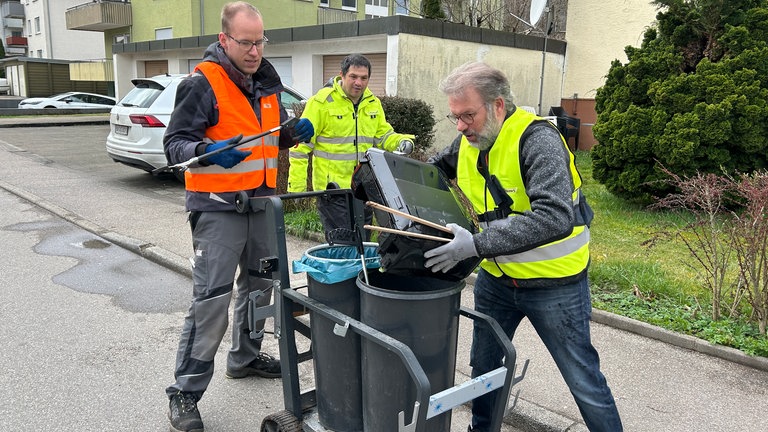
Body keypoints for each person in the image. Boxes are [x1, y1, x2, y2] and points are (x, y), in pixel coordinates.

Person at [424, 62, 622, 432]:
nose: (461, 126)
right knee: (484, 372)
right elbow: (433, 170)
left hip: (554, 284)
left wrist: (476, 245)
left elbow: (554, 216)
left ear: (498, 105)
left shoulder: (538, 140)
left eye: (468, 115)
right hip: (497, 282)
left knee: (583, 381)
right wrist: (383, 172)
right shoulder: (470, 140)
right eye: (455, 117)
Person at [162, 3, 313, 432]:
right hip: (218, 209)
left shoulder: (266, 83)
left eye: (260, 41)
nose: (254, 50)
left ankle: (244, 358)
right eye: (246, 42)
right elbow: (174, 146)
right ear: (224, 39)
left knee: (260, 289)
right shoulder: (201, 83)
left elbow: (267, 137)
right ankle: (185, 392)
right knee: (211, 301)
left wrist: (289, 135)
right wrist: (206, 152)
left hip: (261, 204)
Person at [287, 54, 415, 241]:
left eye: (364, 78)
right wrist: (297, 189)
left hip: (363, 189)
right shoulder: (321, 103)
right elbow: (300, 148)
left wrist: (402, 141)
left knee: (363, 243)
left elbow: (383, 135)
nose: (358, 83)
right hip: (333, 192)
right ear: (342, 75)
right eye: (353, 76)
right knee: (343, 246)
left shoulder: (372, 103)